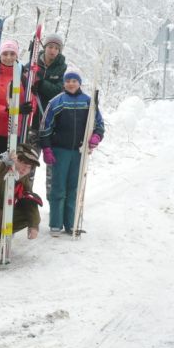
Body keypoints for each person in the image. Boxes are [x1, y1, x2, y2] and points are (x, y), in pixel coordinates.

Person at [39, 71, 105, 236]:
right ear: (63, 83)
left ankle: (71, 224)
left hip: (79, 151)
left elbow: (99, 124)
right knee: (58, 187)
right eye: (68, 80)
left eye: (74, 81)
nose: (71, 83)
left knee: (74, 188)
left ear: (79, 83)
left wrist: (96, 136)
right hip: (60, 151)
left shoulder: (88, 103)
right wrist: (47, 148)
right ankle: (55, 224)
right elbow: (45, 127)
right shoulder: (56, 102)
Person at [0, 39, 35, 155]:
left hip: (16, 134)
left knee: (12, 170)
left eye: (12, 54)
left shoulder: (24, 79)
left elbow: (30, 107)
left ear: (17, 55)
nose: (8, 57)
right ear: (0, 55)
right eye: (5, 54)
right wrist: (11, 109)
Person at [31, 33, 67, 199]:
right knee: (28, 162)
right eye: (50, 47)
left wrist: (41, 84)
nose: (53, 51)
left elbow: (58, 91)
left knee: (52, 166)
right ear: (45, 47)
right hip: (32, 122)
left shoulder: (62, 68)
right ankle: (24, 198)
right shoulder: (33, 63)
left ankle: (54, 203)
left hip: (52, 124)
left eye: (56, 48)